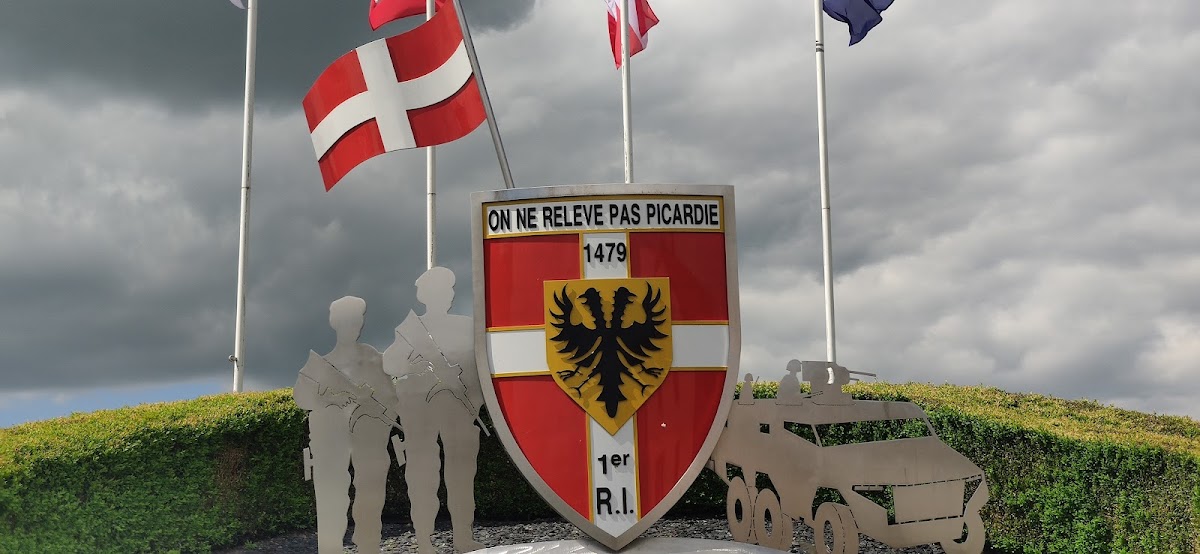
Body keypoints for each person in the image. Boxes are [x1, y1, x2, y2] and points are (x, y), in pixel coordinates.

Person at [383, 267, 484, 554]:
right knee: (422, 476)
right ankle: (424, 541)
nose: (448, 295)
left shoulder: (466, 327)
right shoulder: (409, 329)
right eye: (440, 290)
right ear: (426, 296)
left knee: (461, 475)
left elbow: (478, 364)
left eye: (449, 290)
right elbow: (389, 363)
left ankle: (463, 537)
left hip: (458, 411)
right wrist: (413, 363)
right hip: (420, 412)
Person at [294, 296, 398, 554]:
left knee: (371, 494)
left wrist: (369, 403)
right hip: (331, 440)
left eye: (356, 319)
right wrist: (336, 397)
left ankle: (368, 545)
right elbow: (302, 396)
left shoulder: (373, 359)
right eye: (346, 320)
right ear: (334, 323)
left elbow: (391, 400)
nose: (352, 325)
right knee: (330, 497)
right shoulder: (318, 365)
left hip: (369, 439)